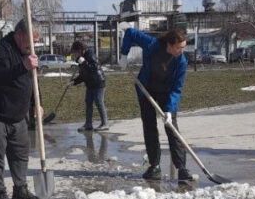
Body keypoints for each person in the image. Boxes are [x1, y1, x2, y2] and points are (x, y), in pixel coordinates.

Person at [0, 19, 44, 199]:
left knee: (21, 153)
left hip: (19, 114)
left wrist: (37, 103)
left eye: (36, 42)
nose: (33, 45)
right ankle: (0, 194)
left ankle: (20, 190)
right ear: (19, 34)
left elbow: (33, 81)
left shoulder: (28, 53)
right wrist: (23, 65)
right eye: (31, 40)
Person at [120, 28, 193, 181]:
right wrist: (124, 54)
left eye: (183, 47)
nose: (182, 51)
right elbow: (130, 33)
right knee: (149, 126)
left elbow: (176, 89)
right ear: (170, 44)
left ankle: (182, 169)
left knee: (171, 127)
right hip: (146, 88)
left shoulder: (181, 61)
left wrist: (169, 110)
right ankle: (154, 166)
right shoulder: (152, 44)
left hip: (166, 93)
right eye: (179, 47)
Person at [69, 41, 109, 132]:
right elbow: (83, 75)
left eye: (75, 52)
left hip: (98, 82)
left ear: (80, 50)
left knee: (99, 102)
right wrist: (74, 81)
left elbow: (94, 68)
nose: (74, 55)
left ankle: (105, 123)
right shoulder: (80, 59)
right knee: (88, 102)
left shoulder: (90, 54)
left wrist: (84, 63)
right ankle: (88, 124)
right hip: (90, 84)